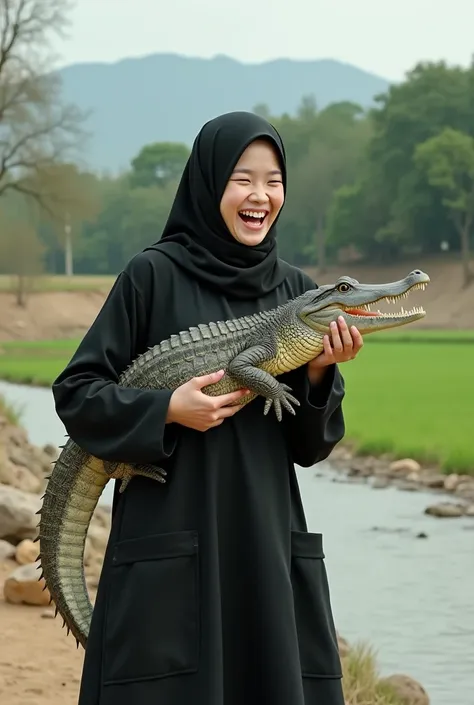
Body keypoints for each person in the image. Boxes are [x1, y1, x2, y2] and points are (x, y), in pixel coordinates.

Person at [52, 111, 364, 705]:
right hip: (169, 532)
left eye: (273, 181)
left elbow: (310, 446)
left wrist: (322, 371)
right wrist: (167, 409)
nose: (259, 195)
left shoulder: (300, 292)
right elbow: (78, 393)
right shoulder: (152, 276)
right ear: (208, 183)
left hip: (263, 539)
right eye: (242, 179)